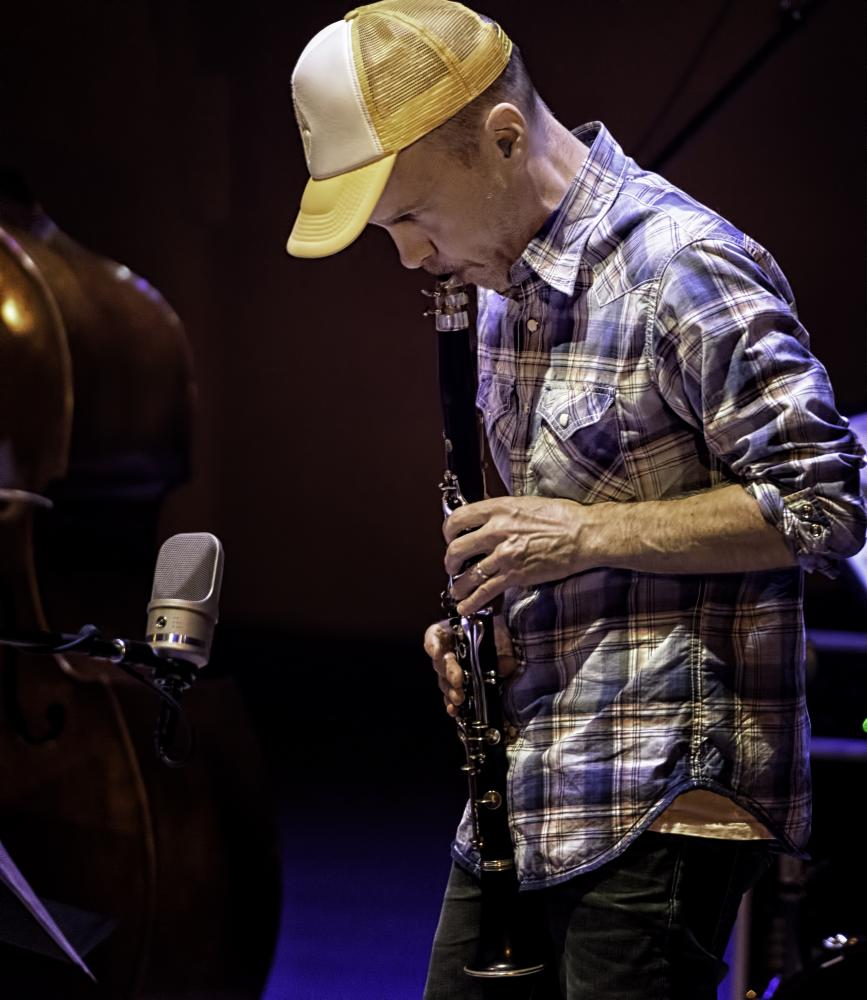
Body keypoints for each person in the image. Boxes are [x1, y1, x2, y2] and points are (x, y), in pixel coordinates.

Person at [285, 3, 866, 997]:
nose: (409, 259)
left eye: (413, 220)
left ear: (504, 140)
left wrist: (585, 532)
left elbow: (827, 503)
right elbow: (560, 536)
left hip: (665, 786)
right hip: (537, 777)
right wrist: (497, 618)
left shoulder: (680, 265)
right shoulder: (499, 292)